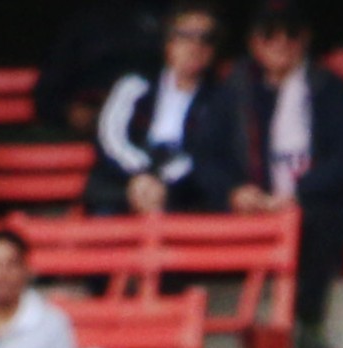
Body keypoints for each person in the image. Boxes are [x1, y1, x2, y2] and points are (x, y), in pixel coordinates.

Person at [234, 7, 343, 348]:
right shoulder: (237, 92)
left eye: (291, 34)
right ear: (254, 43)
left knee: (317, 221)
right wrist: (235, 191)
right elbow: (210, 156)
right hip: (253, 202)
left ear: (305, 39)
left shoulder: (330, 90)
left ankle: (308, 321)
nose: (281, 43)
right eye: (269, 35)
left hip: (312, 202)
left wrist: (297, 192)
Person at [89, 5, 243, 213]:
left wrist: (161, 182)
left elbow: (203, 154)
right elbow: (110, 136)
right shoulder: (135, 85)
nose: (196, 46)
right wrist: (142, 175)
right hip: (127, 182)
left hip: (182, 192)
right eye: (186, 36)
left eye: (206, 38)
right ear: (168, 42)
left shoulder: (219, 98)